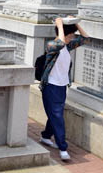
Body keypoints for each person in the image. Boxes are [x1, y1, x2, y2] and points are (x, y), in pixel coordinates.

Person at [39, 16, 88, 161]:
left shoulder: (67, 46)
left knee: (55, 115)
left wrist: (75, 23)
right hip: (51, 87)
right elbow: (59, 42)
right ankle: (63, 148)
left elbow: (85, 39)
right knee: (58, 117)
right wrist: (60, 25)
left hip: (61, 87)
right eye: (71, 35)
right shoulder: (52, 46)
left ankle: (45, 136)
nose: (73, 38)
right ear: (64, 35)